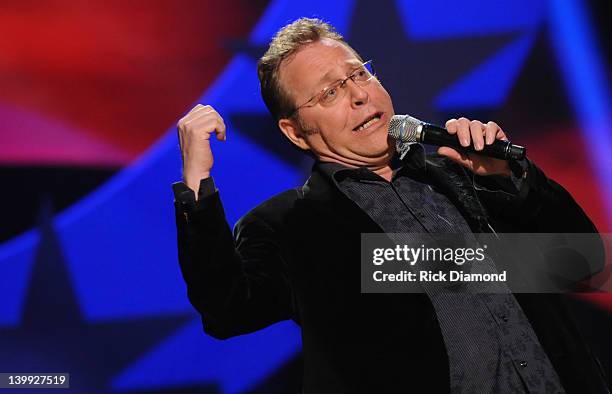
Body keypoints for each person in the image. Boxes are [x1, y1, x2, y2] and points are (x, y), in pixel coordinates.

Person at [172, 18, 609, 393]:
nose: (359, 96)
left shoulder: (467, 174)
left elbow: (583, 262)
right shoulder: (288, 227)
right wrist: (197, 184)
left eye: (358, 75)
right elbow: (227, 311)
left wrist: (509, 180)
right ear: (295, 132)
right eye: (328, 94)